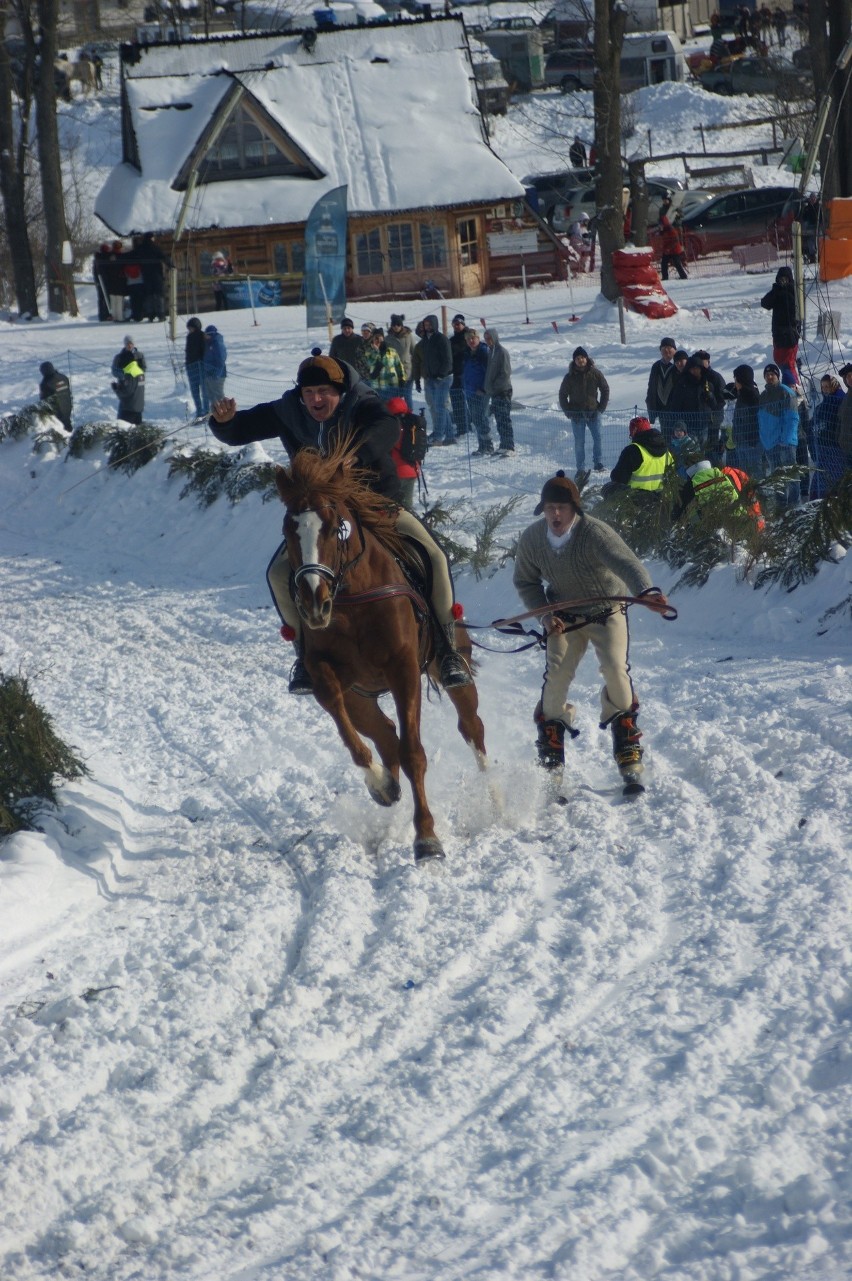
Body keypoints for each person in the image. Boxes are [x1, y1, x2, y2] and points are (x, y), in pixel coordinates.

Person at [208, 354, 471, 693]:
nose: (316, 400)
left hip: (376, 506)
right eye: (309, 392)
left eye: (324, 392)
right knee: (277, 573)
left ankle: (447, 649)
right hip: (320, 516)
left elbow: (388, 428)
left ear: (340, 391)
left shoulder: (362, 405)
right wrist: (225, 423)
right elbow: (241, 428)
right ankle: (304, 657)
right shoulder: (288, 410)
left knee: (433, 556)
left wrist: (355, 454)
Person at [512, 470, 670, 779]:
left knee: (614, 668)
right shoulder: (532, 539)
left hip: (605, 611)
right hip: (563, 619)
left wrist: (647, 592)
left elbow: (627, 563)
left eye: (562, 508)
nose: (555, 514)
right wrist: (544, 615)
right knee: (556, 674)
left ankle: (626, 738)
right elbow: (525, 582)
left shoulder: (594, 533)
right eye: (549, 508)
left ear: (575, 509)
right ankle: (551, 746)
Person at [558, 346, 609, 476]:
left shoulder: (595, 373)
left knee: (598, 438)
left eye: (583, 357)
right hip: (576, 415)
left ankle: (598, 463)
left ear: (587, 359)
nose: (580, 360)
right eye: (578, 358)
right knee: (579, 442)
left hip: (593, 412)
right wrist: (568, 411)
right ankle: (580, 469)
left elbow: (605, 389)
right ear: (574, 360)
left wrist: (601, 408)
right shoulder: (569, 376)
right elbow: (562, 395)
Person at [758, 363, 800, 508]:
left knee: (791, 475)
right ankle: (781, 506)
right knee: (777, 478)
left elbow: (792, 418)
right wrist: (764, 440)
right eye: (767, 374)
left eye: (772, 374)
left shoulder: (786, 392)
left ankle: (794, 506)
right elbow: (761, 420)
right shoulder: (763, 396)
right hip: (769, 444)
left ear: (777, 376)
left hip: (785, 443)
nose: (770, 377)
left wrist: (786, 440)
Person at [668, 355, 726, 453]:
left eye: (697, 368)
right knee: (690, 452)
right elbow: (675, 406)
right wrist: (678, 423)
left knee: (703, 451)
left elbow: (715, 406)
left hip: (704, 424)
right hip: (688, 425)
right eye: (692, 368)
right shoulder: (682, 384)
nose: (695, 371)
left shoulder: (707, 384)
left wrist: (710, 397)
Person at [608, 416, 674, 498]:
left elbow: (618, 478)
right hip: (660, 500)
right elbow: (673, 476)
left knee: (608, 488)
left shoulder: (632, 450)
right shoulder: (666, 451)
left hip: (635, 500)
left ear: (634, 432)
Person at [415, 314, 454, 445]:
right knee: (439, 407)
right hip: (430, 378)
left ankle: (438, 436)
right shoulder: (425, 340)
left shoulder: (441, 339)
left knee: (440, 407)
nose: (428, 327)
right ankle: (450, 436)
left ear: (435, 324)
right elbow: (424, 361)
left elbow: (448, 360)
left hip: (443, 378)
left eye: (430, 324)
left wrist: (441, 374)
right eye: (426, 325)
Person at [761, 266, 800, 387]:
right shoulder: (776, 291)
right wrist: (776, 290)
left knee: (788, 364)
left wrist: (786, 290)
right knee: (779, 360)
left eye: (786, 279)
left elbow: (796, 307)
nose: (783, 281)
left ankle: (793, 386)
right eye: (781, 279)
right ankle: (790, 384)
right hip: (778, 334)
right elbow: (765, 303)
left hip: (790, 334)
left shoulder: (794, 291)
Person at [386, 395, 426, 510]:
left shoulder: (391, 426)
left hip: (396, 472)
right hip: (413, 471)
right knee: (407, 507)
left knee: (392, 508)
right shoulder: (414, 424)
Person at [810, 374, 845, 496]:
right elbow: (813, 429)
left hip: (837, 451)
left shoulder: (841, 402)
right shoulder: (821, 407)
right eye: (823, 386)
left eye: (828, 386)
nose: (825, 389)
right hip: (823, 451)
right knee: (818, 487)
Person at [484, 328, 514, 455]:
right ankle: (503, 444)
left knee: (505, 419)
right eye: (486, 339)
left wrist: (494, 386)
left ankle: (510, 446)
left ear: (495, 337)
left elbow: (505, 373)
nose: (488, 341)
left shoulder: (502, 352)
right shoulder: (490, 352)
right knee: (499, 419)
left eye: (489, 338)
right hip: (494, 392)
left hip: (503, 391)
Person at [729, 363, 763, 477]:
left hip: (751, 441)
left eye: (736, 379)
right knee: (743, 474)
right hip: (741, 440)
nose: (735, 382)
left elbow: (755, 420)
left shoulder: (752, 396)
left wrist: (753, 439)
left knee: (754, 471)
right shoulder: (741, 395)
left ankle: (758, 494)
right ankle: (747, 493)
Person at [463, 328, 492, 455]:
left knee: (482, 417)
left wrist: (484, 388)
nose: (471, 341)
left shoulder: (483, 352)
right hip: (470, 390)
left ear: (478, 339)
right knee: (475, 418)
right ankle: (482, 445)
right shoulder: (467, 353)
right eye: (468, 339)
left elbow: (488, 372)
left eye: (473, 338)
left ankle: (488, 445)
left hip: (481, 391)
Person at [645, 337, 679, 439]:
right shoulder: (656, 366)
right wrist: (652, 408)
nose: (666, 350)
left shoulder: (678, 364)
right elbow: (651, 388)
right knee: (666, 436)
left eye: (669, 347)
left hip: (677, 409)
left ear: (675, 350)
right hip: (662, 410)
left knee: (679, 436)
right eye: (663, 348)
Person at [366, 327, 405, 403]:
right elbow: (370, 363)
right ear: (372, 339)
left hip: (392, 386)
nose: (377, 340)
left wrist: (402, 380)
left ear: (383, 338)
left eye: (379, 337)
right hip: (377, 387)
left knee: (392, 410)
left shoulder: (392, 351)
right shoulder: (369, 352)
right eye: (375, 338)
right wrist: (376, 351)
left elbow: (399, 366)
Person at [385, 314, 416, 406]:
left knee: (407, 396)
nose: (396, 327)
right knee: (394, 396)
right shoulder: (388, 338)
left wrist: (417, 368)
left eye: (398, 325)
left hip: (407, 371)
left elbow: (414, 351)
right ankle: (396, 416)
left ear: (401, 325)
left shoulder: (408, 336)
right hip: (393, 372)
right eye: (394, 325)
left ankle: (409, 415)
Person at [112, 343, 146, 425]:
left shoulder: (130, 373)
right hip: (139, 407)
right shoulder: (139, 371)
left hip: (129, 409)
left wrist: (116, 388)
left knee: (122, 431)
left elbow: (126, 392)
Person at [140, 232, 170, 323]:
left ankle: (150, 315)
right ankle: (161, 315)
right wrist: (171, 265)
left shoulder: (141, 248)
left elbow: (131, 255)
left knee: (149, 296)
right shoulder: (155, 248)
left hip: (146, 276)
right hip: (157, 276)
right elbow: (164, 257)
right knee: (159, 295)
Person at [449, 314, 470, 436]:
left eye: (458, 324)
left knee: (466, 400)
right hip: (456, 373)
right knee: (456, 399)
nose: (456, 326)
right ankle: (461, 426)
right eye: (454, 324)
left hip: (465, 373)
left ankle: (466, 426)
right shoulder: (452, 340)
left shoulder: (468, 337)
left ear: (463, 324)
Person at [658, 199, 688, 281]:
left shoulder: (671, 230)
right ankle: (665, 277)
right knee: (664, 263)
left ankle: (683, 276)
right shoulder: (663, 231)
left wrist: (668, 249)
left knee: (677, 263)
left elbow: (675, 241)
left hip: (674, 249)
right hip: (668, 250)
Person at [38, 361, 72, 431]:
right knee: (67, 424)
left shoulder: (45, 383)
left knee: (60, 429)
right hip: (67, 405)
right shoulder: (64, 377)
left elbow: (44, 400)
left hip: (56, 411)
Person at [185, 317, 208, 418]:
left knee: (204, 390)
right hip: (191, 366)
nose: (190, 330)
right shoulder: (189, 337)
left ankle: (206, 411)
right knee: (195, 391)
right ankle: (199, 411)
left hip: (201, 365)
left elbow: (204, 350)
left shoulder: (202, 335)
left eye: (191, 327)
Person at [203, 324, 227, 405]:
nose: (205, 337)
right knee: (211, 396)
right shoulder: (209, 343)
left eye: (207, 335)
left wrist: (217, 374)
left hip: (217, 375)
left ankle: (225, 413)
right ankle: (214, 414)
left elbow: (221, 360)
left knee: (218, 396)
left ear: (211, 334)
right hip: (209, 374)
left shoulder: (217, 343)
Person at [104, 241, 127, 324]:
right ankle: (120, 317)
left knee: (113, 299)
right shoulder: (121, 256)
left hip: (110, 281)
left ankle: (114, 316)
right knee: (119, 300)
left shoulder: (108, 256)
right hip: (120, 280)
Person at [837, 363, 852, 471]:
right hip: (847, 448)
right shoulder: (847, 397)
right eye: (847, 376)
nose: (850, 378)